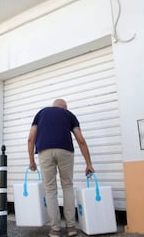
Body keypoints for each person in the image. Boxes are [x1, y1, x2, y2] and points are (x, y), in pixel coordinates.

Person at [27, 98, 94, 237]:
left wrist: (31, 161)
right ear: (65, 107)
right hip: (65, 151)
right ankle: (71, 227)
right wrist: (89, 164)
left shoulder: (41, 113)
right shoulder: (69, 115)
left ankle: (55, 229)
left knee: (50, 189)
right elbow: (80, 139)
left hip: (45, 151)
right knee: (67, 186)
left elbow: (30, 138)